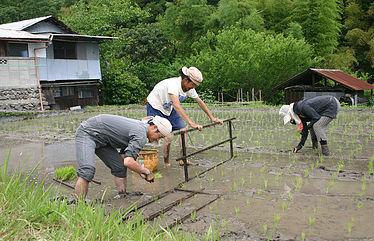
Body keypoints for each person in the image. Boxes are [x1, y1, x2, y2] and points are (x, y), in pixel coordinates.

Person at [74, 114, 173, 199]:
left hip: (103, 139)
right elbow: (128, 161)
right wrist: (145, 171)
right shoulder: (141, 135)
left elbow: (124, 158)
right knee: (87, 171)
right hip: (87, 132)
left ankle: (122, 195)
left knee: (119, 167)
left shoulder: (140, 130)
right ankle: (79, 206)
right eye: (159, 137)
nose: (157, 140)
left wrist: (139, 171)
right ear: (155, 128)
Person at [146, 66, 223, 166]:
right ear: (186, 80)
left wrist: (212, 118)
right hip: (156, 106)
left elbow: (200, 101)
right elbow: (177, 106)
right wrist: (192, 123)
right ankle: (166, 163)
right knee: (166, 135)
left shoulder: (189, 88)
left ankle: (183, 159)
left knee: (184, 130)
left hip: (169, 108)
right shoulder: (173, 85)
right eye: (193, 85)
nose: (193, 88)